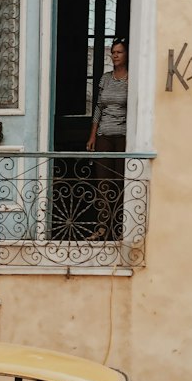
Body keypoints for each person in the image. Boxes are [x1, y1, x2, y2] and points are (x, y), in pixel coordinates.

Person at [86, 37, 129, 239]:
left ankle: (120, 228)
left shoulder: (132, 79)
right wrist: (93, 135)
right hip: (104, 135)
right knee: (102, 182)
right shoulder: (105, 78)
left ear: (127, 54)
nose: (115, 55)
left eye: (119, 52)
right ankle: (102, 227)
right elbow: (98, 108)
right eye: (113, 52)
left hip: (122, 137)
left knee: (120, 181)